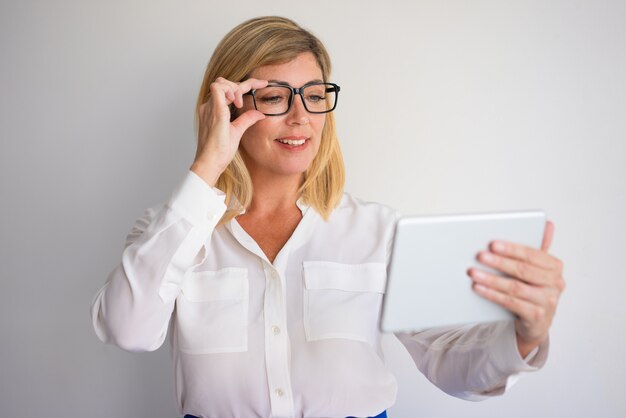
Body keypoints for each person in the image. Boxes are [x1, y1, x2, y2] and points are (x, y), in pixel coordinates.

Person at [91, 16, 565, 418]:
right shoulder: (172, 228)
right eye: (275, 96)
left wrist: (523, 336)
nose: (301, 116)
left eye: (314, 94)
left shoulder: (379, 232)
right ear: (229, 106)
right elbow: (127, 329)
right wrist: (206, 166)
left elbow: (449, 361)